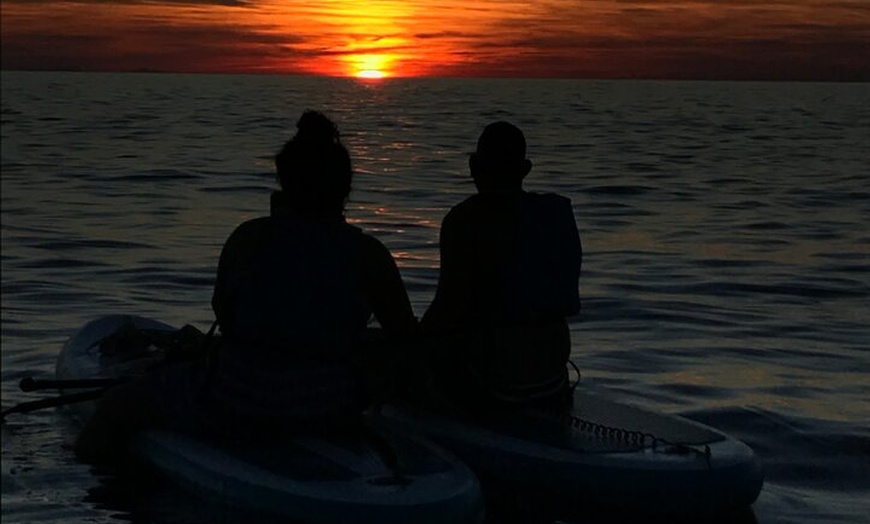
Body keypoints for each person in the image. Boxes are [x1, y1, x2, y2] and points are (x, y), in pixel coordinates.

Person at [76, 110, 417, 464]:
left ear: (283, 183)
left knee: (116, 408)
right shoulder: (368, 253)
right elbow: (405, 337)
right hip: (326, 403)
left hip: (237, 395)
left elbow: (226, 316)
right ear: (345, 189)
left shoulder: (249, 238)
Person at [421, 121, 582, 413]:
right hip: (552, 375)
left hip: (496, 383)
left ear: (473, 166)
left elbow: (446, 309)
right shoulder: (556, 214)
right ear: (525, 169)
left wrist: (409, 348)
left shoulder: (463, 220)